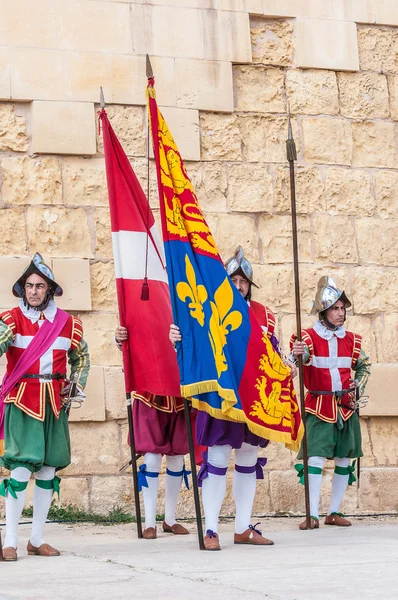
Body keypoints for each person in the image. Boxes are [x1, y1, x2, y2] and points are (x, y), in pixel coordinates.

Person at [169, 246, 294, 551]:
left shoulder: (265, 314)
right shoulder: (208, 308)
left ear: (250, 284)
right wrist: (178, 341)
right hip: (222, 397)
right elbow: (196, 352)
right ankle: (211, 528)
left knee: (249, 459)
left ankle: (242, 527)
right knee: (217, 459)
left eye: (243, 281)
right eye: (233, 280)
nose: (238, 286)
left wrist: (293, 361)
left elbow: (274, 357)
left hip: (253, 397)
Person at [0, 253, 90, 561]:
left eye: (40, 286)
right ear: (22, 289)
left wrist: (76, 385)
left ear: (49, 289)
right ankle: (10, 539)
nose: (34, 291)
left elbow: (81, 359)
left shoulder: (69, 325)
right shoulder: (11, 319)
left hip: (55, 402)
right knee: (22, 469)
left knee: (49, 469)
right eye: (29, 286)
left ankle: (36, 538)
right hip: (23, 399)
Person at [291, 276, 371, 530]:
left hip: (346, 408)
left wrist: (357, 386)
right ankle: (312, 514)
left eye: (342, 307)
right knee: (314, 458)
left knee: (344, 460)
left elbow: (363, 366)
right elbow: (298, 363)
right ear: (323, 311)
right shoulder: (308, 338)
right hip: (318, 405)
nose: (340, 312)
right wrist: (298, 354)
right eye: (335, 308)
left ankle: (333, 511)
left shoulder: (354, 340)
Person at [115, 326, 190, 539]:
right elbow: (133, 329)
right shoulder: (142, 294)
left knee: (177, 457)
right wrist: (119, 338)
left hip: (178, 385)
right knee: (152, 457)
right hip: (149, 384)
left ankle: (170, 519)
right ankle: (149, 522)